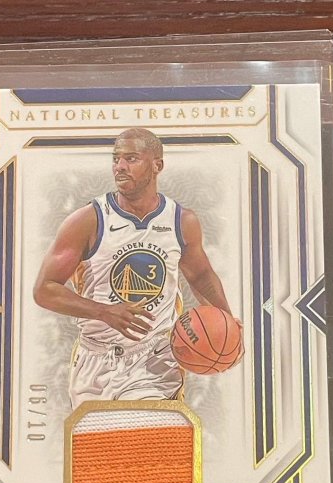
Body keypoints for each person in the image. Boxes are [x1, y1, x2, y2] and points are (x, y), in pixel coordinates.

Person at [33, 128, 238, 409]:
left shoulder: (181, 221)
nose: (119, 166)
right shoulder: (87, 220)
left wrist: (227, 320)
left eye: (131, 158)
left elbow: (201, 276)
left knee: (145, 433)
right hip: (96, 359)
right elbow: (44, 290)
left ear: (157, 165)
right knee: (99, 439)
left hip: (153, 360)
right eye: (116, 159)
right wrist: (104, 311)